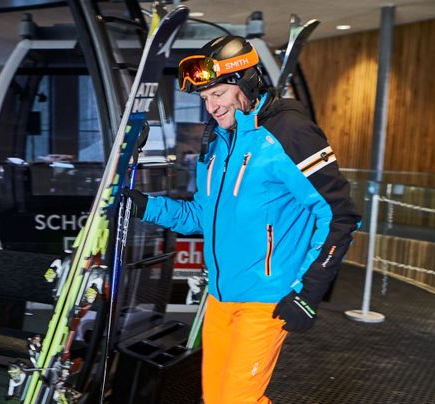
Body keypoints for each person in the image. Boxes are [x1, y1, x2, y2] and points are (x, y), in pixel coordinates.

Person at [127, 35, 362, 403]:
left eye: (218, 94)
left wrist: (308, 292)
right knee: (216, 398)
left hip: (265, 298)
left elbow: (339, 215)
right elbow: (202, 216)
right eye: (205, 98)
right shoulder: (219, 142)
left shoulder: (289, 133)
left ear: (247, 82)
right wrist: (144, 206)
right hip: (221, 296)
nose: (211, 107)